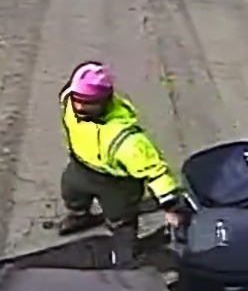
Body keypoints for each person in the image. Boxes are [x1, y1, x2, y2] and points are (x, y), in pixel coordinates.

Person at [58, 61, 186, 266]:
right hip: (80, 166)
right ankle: (80, 215)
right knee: (72, 193)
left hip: (116, 184)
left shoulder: (128, 140)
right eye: (78, 99)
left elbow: (156, 172)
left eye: (89, 103)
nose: (80, 107)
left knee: (121, 218)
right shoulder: (69, 100)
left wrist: (171, 206)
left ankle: (126, 252)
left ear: (105, 100)